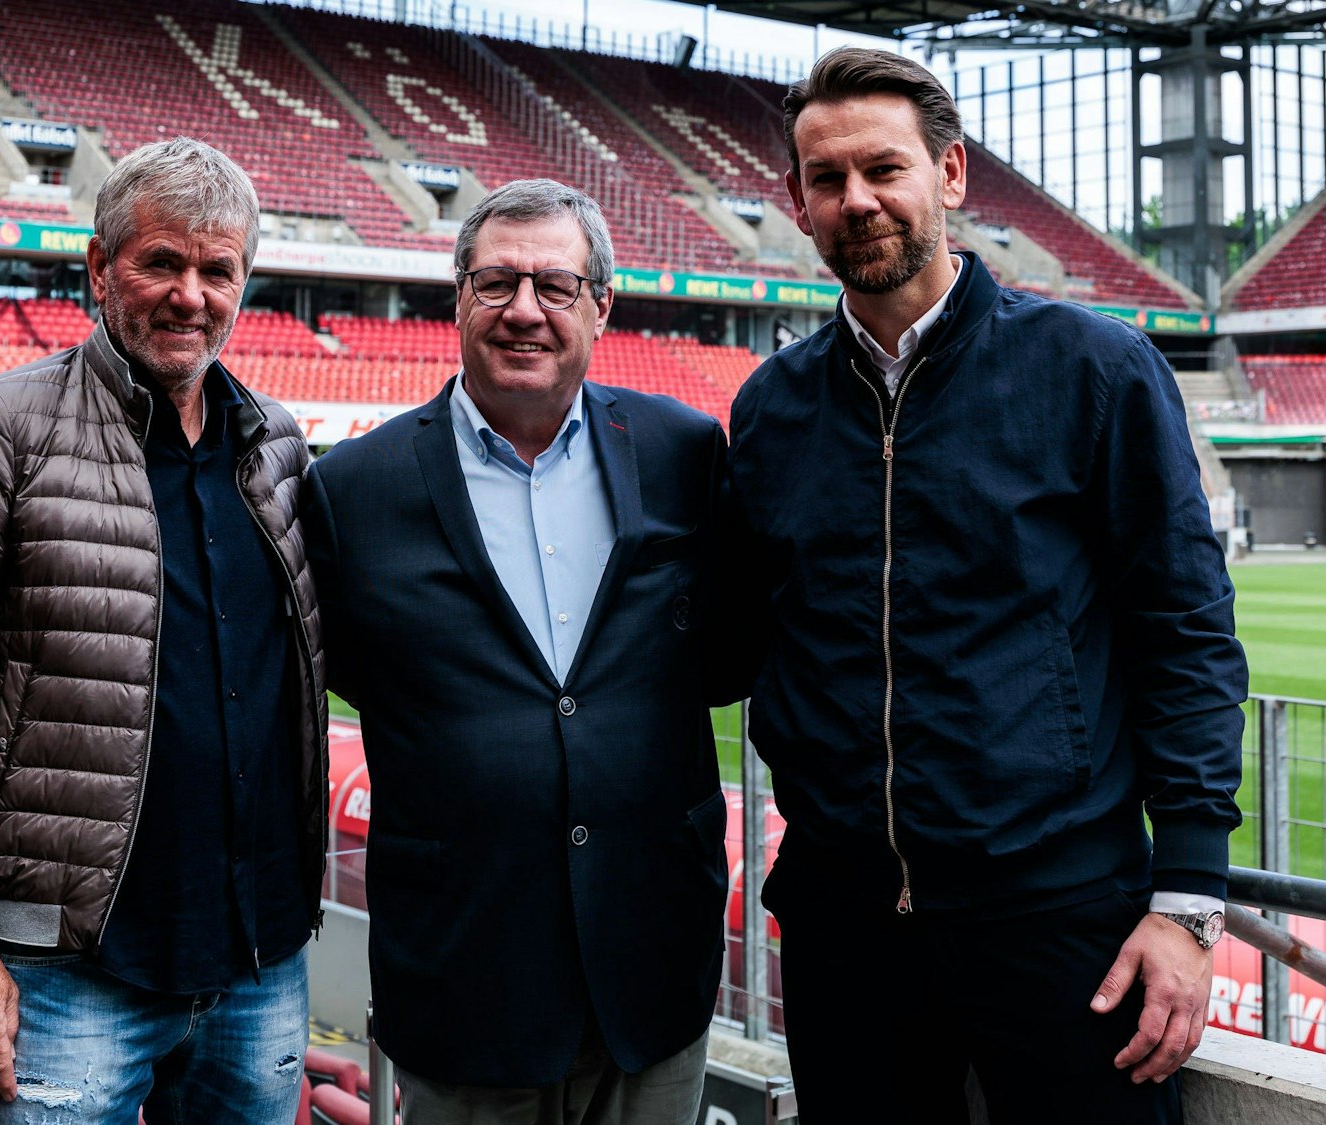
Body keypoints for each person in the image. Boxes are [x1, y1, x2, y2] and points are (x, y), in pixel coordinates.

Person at [727, 48, 1247, 1122]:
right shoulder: (770, 408)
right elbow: (753, 632)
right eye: (825, 180)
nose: (856, 200)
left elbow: (1183, 629)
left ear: (949, 176)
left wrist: (1188, 900)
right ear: (795, 202)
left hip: (1057, 917)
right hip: (843, 922)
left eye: (884, 168)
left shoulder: (1091, 371)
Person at [0, 137, 327, 1124]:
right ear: (100, 269)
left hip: (257, 962)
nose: (190, 294)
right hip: (64, 970)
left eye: (216, 269)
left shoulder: (273, 446)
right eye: (160, 263)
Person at [306, 179, 740, 1124]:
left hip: (653, 965)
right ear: (458, 296)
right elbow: (343, 674)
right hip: (465, 976)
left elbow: (724, 650)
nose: (525, 310)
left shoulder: (684, 452)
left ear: (601, 304)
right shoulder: (354, 488)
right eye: (496, 282)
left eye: (554, 284)